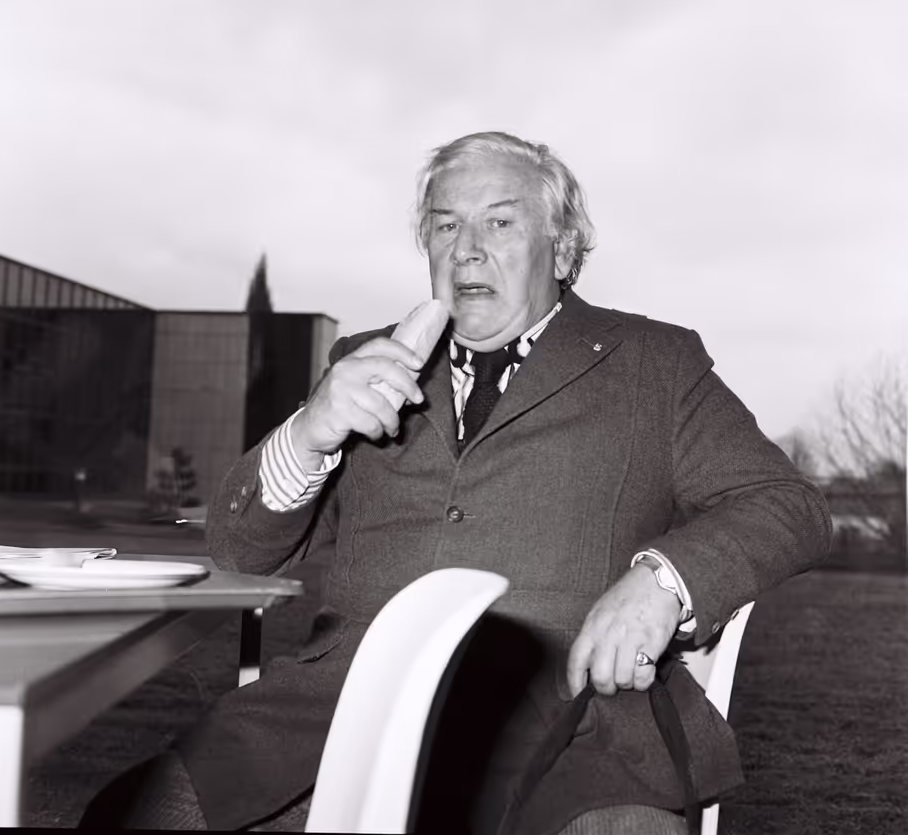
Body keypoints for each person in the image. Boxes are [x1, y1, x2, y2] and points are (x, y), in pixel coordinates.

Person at [81, 131, 831, 833]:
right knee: (135, 813)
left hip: (577, 724)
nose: (467, 250)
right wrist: (311, 430)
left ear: (562, 249)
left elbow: (786, 505)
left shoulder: (653, 365)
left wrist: (663, 583)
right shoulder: (362, 361)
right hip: (337, 712)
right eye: (445, 227)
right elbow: (241, 549)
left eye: (500, 225)